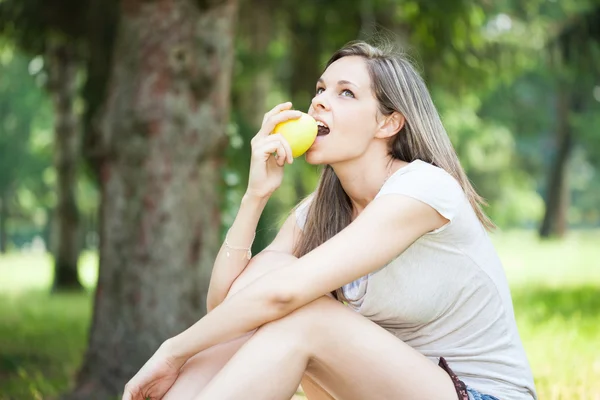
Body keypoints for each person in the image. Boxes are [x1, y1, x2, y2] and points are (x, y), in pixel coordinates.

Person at [122, 41, 537, 400]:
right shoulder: (321, 209)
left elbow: (280, 299)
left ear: (388, 123)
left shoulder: (423, 189)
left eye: (345, 93)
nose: (319, 100)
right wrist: (255, 196)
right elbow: (227, 309)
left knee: (305, 313)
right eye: (320, 89)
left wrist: (172, 350)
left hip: (483, 393)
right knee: (274, 278)